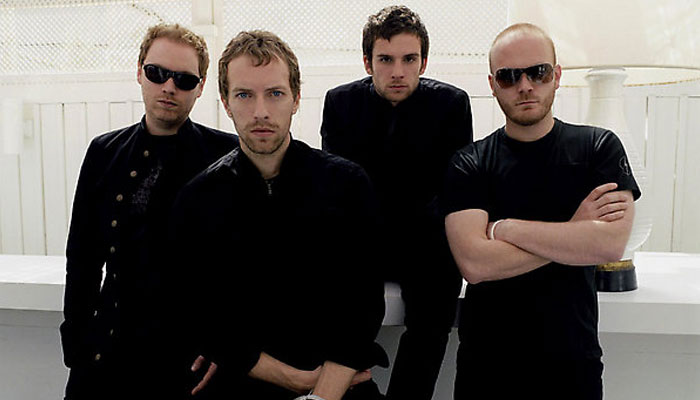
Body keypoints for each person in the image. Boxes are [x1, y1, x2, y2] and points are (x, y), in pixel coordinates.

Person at [170, 30, 388, 400]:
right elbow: (202, 317)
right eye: (244, 95)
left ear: (296, 98)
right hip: (242, 386)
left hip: (339, 387)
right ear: (225, 102)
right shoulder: (198, 199)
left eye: (275, 93)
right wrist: (295, 381)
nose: (261, 112)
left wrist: (320, 395)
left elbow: (363, 306)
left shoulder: (347, 184)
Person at [442, 23, 641, 400]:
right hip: (487, 370)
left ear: (557, 75)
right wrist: (574, 232)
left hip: (571, 368)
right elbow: (475, 264)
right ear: (492, 84)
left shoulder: (598, 147)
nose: (525, 86)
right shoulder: (469, 163)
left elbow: (609, 245)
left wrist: (503, 229)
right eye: (509, 76)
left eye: (538, 72)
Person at [60, 23, 239, 400]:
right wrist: (76, 340)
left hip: (185, 364)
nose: (169, 87)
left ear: (201, 87)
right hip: (105, 352)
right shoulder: (104, 152)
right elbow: (82, 258)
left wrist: (230, 345)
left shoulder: (226, 156)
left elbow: (246, 265)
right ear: (139, 72)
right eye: (157, 73)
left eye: (184, 80)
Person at [320, 6, 473, 399]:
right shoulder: (340, 102)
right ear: (367, 62)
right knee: (339, 304)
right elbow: (336, 189)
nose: (398, 71)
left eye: (409, 59)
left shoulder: (452, 104)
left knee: (436, 306)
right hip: (362, 235)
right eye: (386, 60)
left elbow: (454, 189)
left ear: (424, 62)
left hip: (424, 237)